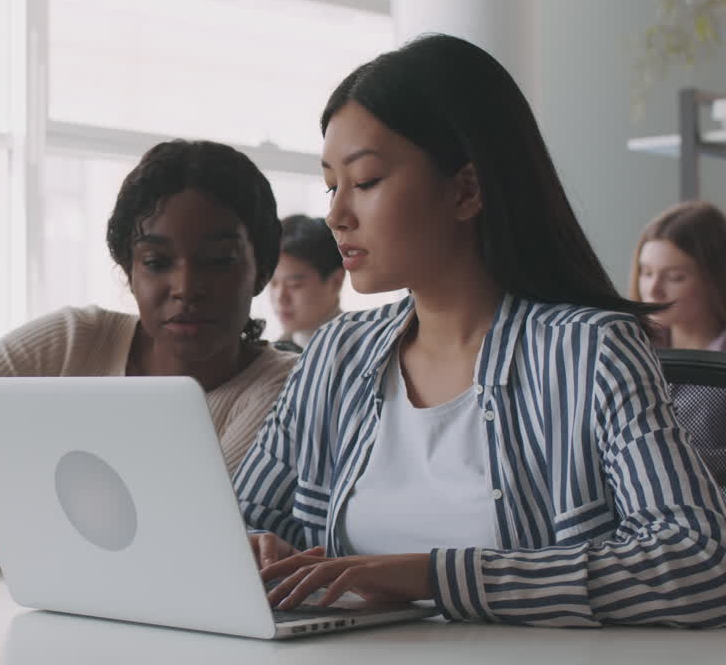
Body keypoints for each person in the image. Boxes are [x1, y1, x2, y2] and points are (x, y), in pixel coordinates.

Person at [234, 34, 726, 628]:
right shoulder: (336, 354)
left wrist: (432, 575)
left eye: (364, 182)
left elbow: (698, 561)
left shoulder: (590, 350)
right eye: (330, 186)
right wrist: (251, 544)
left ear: (466, 188)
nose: (337, 214)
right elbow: (242, 516)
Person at [0, 139, 300, 556]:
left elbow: (154, 541)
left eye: (217, 260)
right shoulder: (76, 339)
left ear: (260, 269)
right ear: (128, 270)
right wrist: (48, 447)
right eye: (156, 261)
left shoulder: (284, 386)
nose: (186, 286)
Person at [631, 200, 726, 484]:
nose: (653, 290)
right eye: (646, 273)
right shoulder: (632, 345)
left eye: (675, 277)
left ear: (714, 280)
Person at [269, 214, 343, 352]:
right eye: (273, 283)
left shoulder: (359, 352)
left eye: (294, 285)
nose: (280, 298)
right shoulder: (271, 354)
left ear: (335, 282)